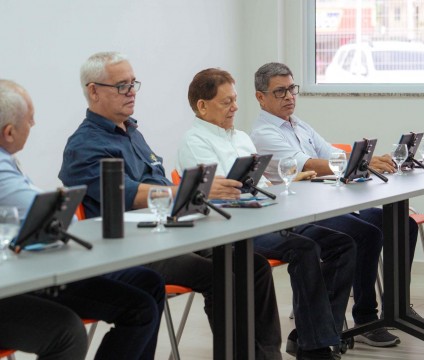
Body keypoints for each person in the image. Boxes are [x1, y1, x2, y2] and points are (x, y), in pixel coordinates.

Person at [58, 51, 281, 360]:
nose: (132, 91)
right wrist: (187, 191)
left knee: (252, 265)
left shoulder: (133, 133)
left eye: (133, 83)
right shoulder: (84, 145)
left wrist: (190, 194)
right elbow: (127, 192)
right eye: (121, 86)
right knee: (218, 274)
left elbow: (160, 182)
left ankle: (267, 356)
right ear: (93, 91)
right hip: (132, 247)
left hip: (168, 233)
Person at [176, 68, 357, 360]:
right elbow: (221, 196)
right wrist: (262, 190)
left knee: (339, 242)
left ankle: (313, 339)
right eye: (227, 102)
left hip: (262, 219)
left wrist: (281, 186)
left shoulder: (243, 139)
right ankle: (314, 346)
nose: (235, 107)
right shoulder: (195, 142)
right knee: (304, 248)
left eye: (235, 99)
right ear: (202, 105)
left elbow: (259, 188)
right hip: (229, 230)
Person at [250, 62, 421, 348]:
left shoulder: (298, 123)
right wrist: (357, 162)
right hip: (299, 214)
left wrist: (366, 160)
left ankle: (397, 308)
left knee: (402, 224)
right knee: (368, 234)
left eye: (292, 88)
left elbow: (330, 153)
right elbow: (310, 165)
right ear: (260, 97)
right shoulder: (263, 133)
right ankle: (365, 317)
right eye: (280, 92)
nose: (290, 96)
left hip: (326, 203)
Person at [0, 79, 165, 360]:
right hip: (20, 282)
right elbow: (44, 210)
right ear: (9, 132)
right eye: (31, 120)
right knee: (68, 331)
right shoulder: (81, 144)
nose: (35, 124)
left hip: (38, 270)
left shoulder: (133, 132)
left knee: (146, 284)